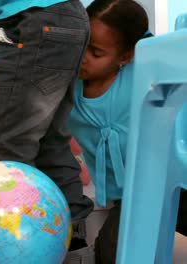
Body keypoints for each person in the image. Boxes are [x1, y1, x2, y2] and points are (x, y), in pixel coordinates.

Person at [0, 0, 94, 254]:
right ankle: (74, 251)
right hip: (63, 16)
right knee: (50, 145)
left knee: (2, 152)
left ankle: (10, 254)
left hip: (32, 18)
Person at [67, 0, 187, 263]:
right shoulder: (67, 89)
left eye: (96, 53)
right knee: (113, 254)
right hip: (131, 199)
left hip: (175, 183)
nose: (83, 58)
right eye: (81, 44)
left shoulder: (142, 73)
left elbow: (167, 53)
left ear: (126, 56)